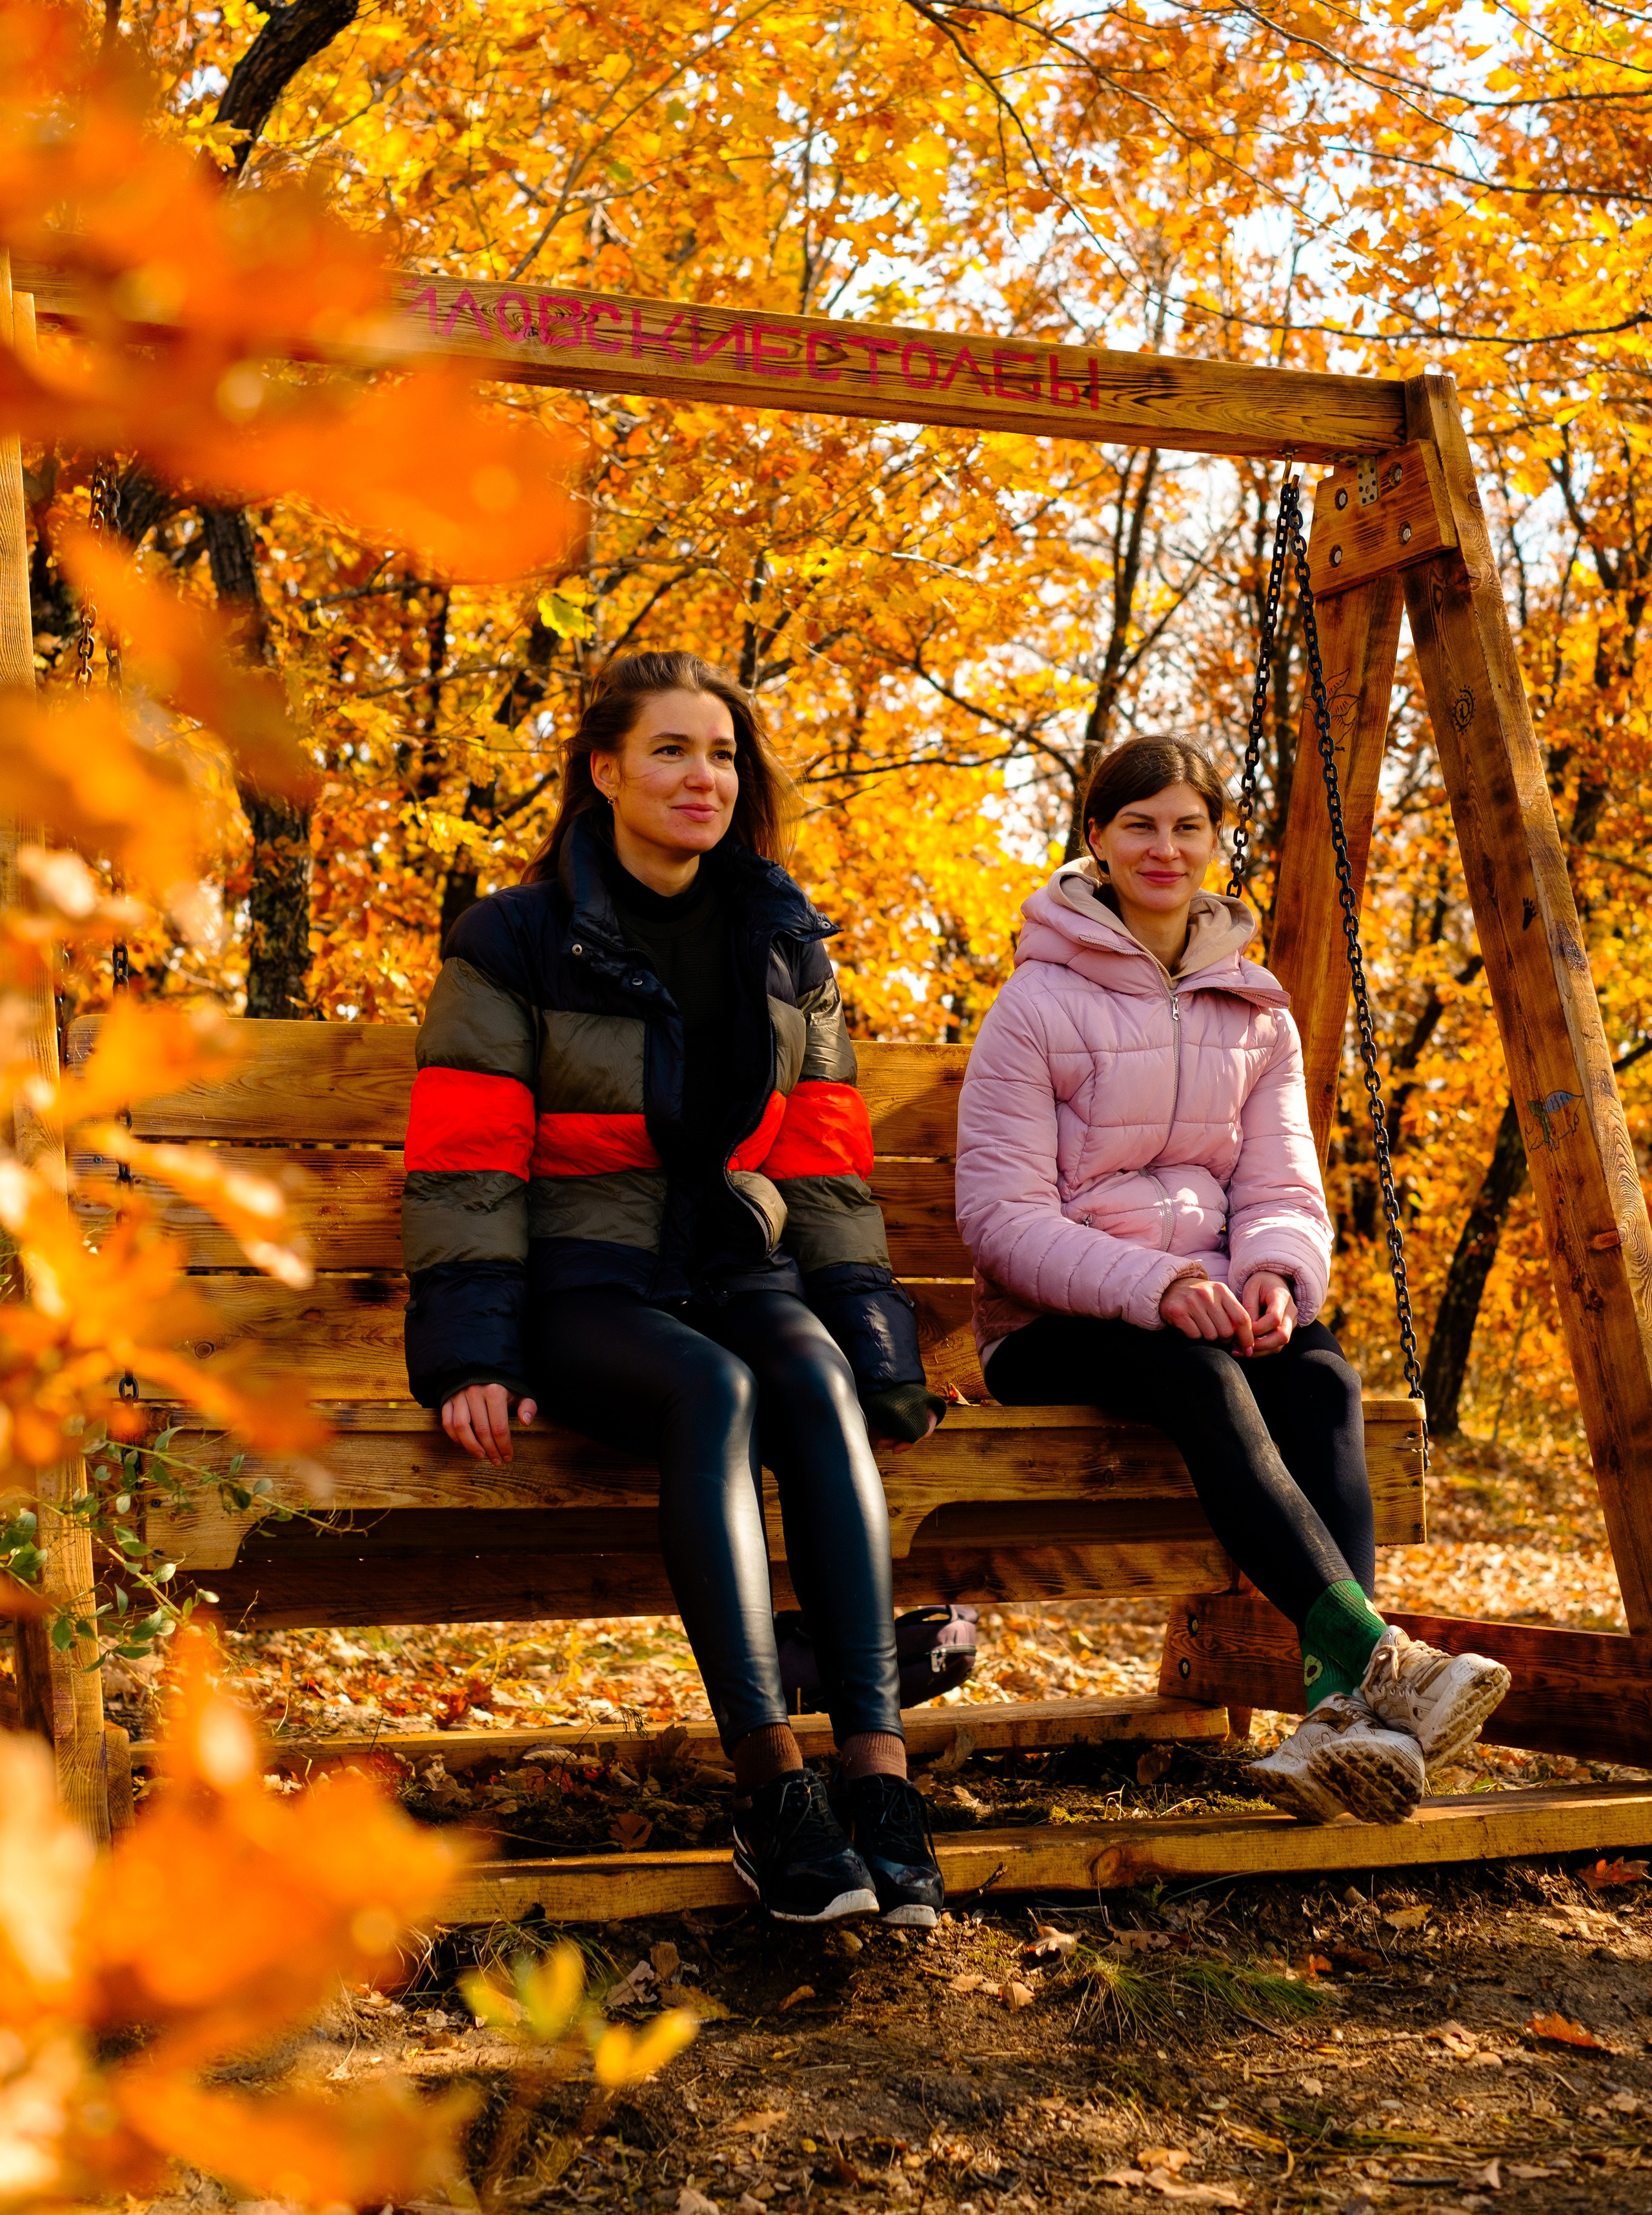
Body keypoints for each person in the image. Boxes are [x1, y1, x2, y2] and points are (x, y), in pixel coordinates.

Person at [400, 649, 946, 1924]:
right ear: (604, 771)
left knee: (814, 1380)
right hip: (582, 1284)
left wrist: (878, 1350)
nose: (703, 777)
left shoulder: (781, 938)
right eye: (670, 751)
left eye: (721, 755)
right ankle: (774, 1792)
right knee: (715, 1390)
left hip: (736, 1262)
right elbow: (466, 1161)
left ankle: (878, 1784)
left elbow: (823, 1160)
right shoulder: (515, 938)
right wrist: (474, 1352)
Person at [954, 733, 1511, 1823]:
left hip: (1213, 1309)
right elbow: (1002, 1219)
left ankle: (1335, 1727)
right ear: (1097, 840)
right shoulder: (1035, 1004)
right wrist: (1158, 1286)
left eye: (1187, 826)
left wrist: (1275, 1278)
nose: (1164, 848)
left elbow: (1284, 1189)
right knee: (1200, 1376)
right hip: (1055, 1327)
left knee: (1322, 1378)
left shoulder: (1256, 1012)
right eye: (1139, 826)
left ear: (1215, 839)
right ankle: (1382, 1667)